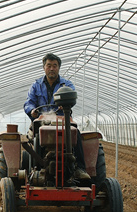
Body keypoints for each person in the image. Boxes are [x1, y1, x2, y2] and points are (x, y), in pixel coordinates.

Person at [24, 53, 90, 181]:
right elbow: (29, 102)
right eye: (49, 66)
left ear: (59, 68)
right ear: (44, 67)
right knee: (35, 137)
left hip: (62, 120)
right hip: (42, 121)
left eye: (55, 66)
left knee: (76, 134)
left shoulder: (66, 85)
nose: (52, 68)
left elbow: (72, 98)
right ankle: (37, 169)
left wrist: (66, 105)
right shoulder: (36, 85)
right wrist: (32, 110)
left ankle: (79, 168)